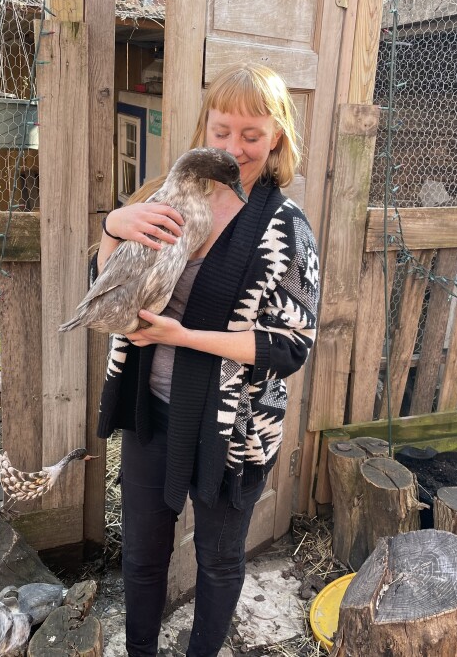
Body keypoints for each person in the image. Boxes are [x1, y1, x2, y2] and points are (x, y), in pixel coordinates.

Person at [95, 62, 320, 657]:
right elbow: (107, 281)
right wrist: (114, 225)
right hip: (153, 411)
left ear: (277, 137)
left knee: (219, 563)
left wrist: (184, 335)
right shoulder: (165, 195)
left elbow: (290, 345)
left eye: (251, 134)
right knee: (143, 554)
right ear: (205, 126)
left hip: (233, 427)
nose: (234, 147)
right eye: (222, 130)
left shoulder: (285, 229)